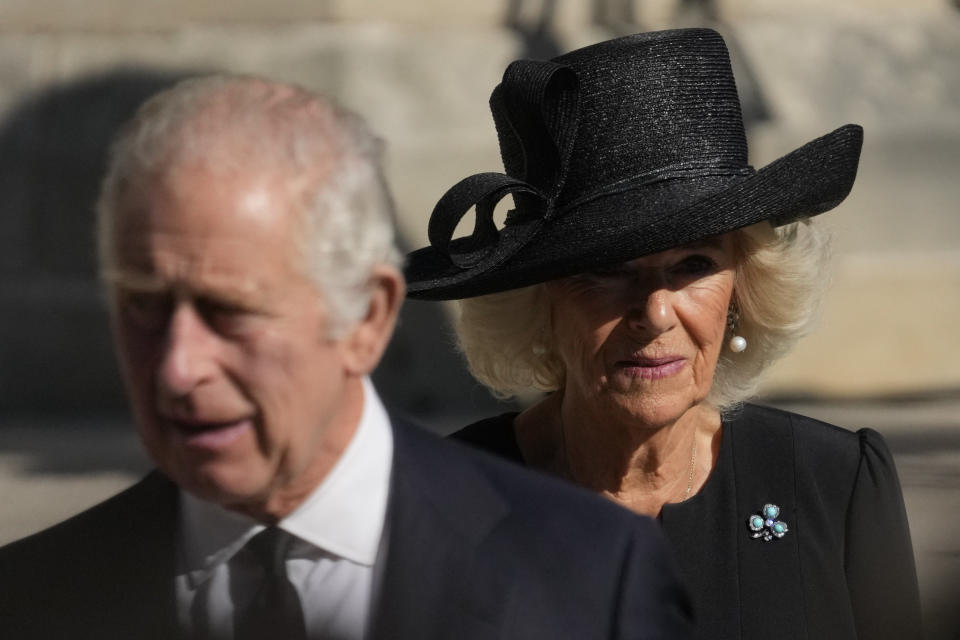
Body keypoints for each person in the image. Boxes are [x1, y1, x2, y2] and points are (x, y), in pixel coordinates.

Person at [0, 75, 693, 639]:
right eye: (144, 305)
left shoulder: (590, 580)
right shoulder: (32, 599)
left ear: (367, 316)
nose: (179, 368)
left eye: (230, 311)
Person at [404, 28, 923, 639]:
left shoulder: (834, 485)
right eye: (605, 273)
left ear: (742, 291)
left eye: (694, 266)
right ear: (539, 304)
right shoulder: (441, 502)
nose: (655, 313)